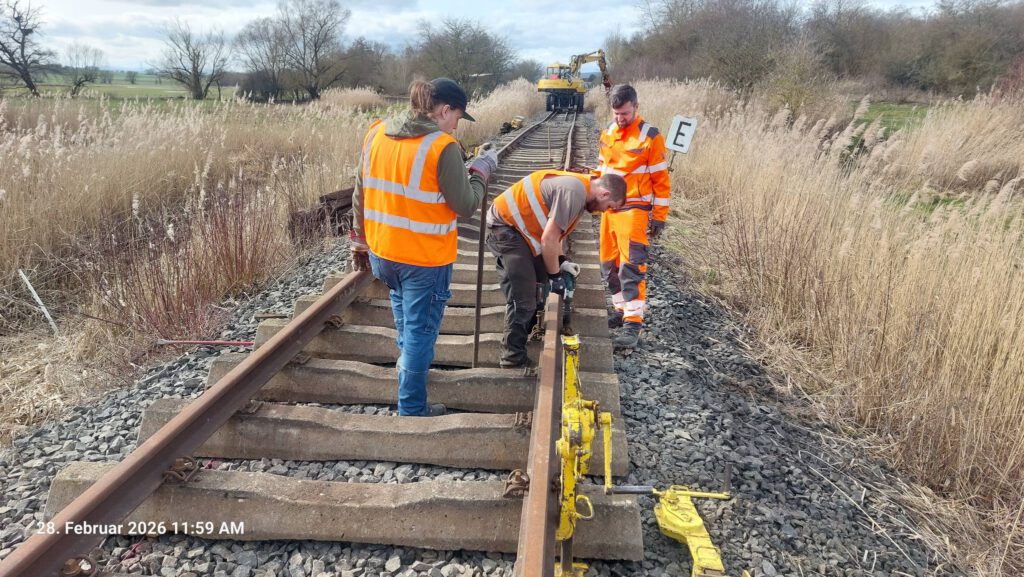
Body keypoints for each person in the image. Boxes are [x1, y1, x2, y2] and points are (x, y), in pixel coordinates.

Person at [350, 78, 497, 416]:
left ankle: (408, 376)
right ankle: (412, 407)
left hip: (383, 253)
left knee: (406, 323)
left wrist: (359, 242)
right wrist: (481, 172)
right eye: (457, 118)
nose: (456, 126)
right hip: (424, 259)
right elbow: (465, 204)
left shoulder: (377, 132)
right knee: (420, 333)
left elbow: (360, 191)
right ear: (444, 110)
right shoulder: (440, 146)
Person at [486, 169, 626, 368]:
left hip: (519, 232)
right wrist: (555, 277)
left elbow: (552, 235)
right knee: (524, 297)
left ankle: (528, 328)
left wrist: (560, 262)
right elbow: (548, 239)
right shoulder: (574, 192)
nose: (605, 211)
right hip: (505, 229)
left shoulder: (579, 191)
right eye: (609, 206)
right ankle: (512, 357)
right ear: (604, 194)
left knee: (538, 283)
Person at [595, 84, 671, 349]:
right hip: (610, 211)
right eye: (616, 113)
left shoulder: (650, 136)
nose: (620, 118)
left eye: (625, 113)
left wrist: (660, 216)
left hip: (635, 210)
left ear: (636, 107)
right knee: (608, 264)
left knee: (631, 267)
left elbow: (661, 179)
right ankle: (620, 310)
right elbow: (601, 170)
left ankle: (633, 323)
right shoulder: (608, 133)